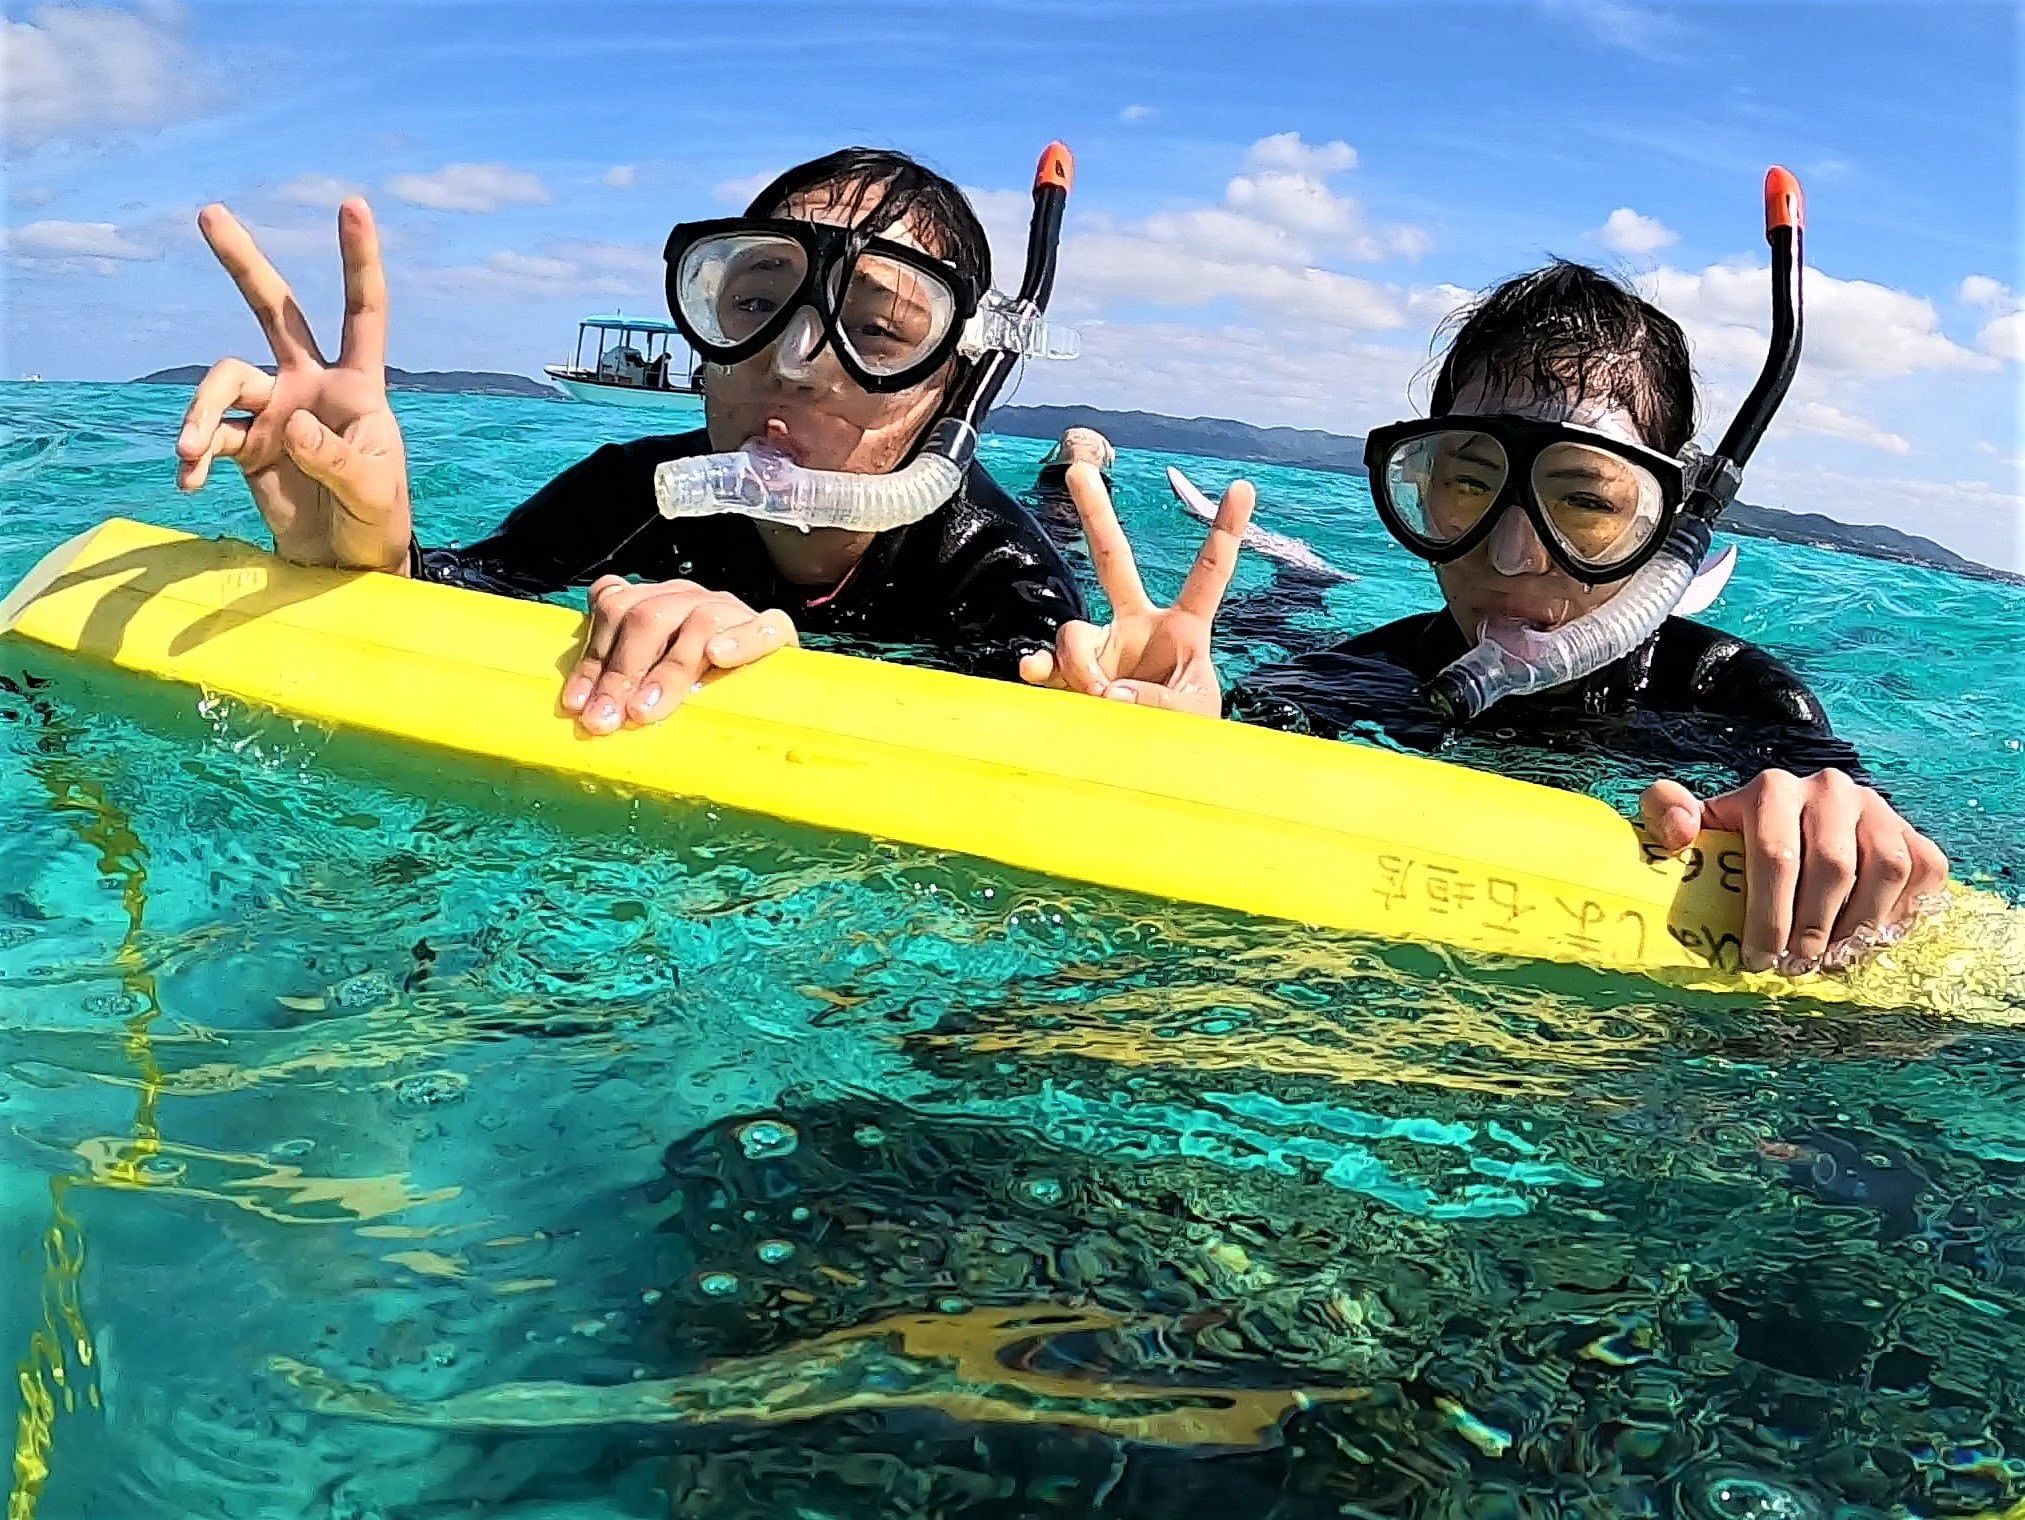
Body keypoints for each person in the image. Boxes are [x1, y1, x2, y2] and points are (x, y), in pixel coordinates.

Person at [1026, 262, 1947, 976]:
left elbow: (1862, 836)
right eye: (1467, 484)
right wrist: (1179, 745)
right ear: (1419, 484)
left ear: (1665, 526)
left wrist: (1837, 826)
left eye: (1582, 502)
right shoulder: (1350, 679)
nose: (1509, 559)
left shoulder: (1737, 698)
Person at [174, 148, 1106, 733]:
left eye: (878, 330)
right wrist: (366, 548)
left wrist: (1142, 698)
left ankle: (1071, 472)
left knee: (1070, 513)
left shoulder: (993, 562)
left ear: (955, 379)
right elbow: (466, 584)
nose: (791, 360)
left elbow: (1058, 705)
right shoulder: (633, 490)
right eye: (752, 304)